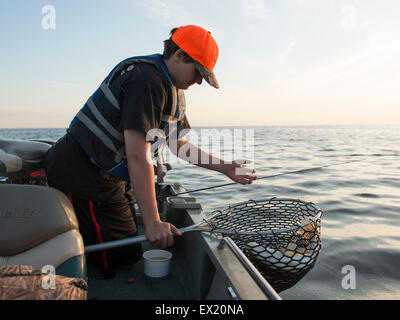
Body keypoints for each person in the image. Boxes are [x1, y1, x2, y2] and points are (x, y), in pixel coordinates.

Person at [45, 25, 257, 270]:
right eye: (198, 72)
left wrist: (225, 167)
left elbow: (180, 145)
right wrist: (154, 222)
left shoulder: (174, 89)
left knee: (129, 253)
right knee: (116, 261)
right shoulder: (145, 80)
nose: (199, 81)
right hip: (81, 173)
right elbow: (137, 155)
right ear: (178, 55)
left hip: (111, 179)